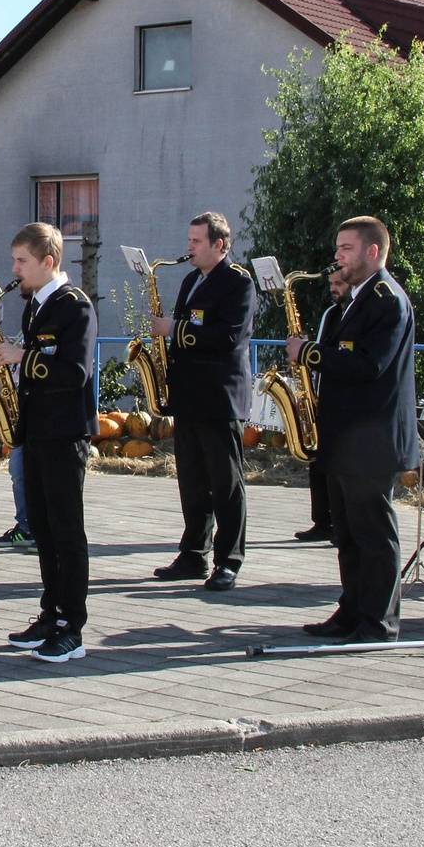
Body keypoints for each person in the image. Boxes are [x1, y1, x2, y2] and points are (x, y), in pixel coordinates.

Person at [286, 216, 418, 643]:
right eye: (338, 248)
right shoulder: (355, 300)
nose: (337, 256)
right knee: (347, 531)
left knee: (374, 533)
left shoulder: (387, 299)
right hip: (346, 435)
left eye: (346, 248)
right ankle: (352, 609)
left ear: (372, 252)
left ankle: (378, 622)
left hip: (373, 438)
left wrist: (311, 354)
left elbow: (370, 365)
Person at [0, 223, 98, 664]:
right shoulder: (34, 306)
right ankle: (50, 612)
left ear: (48, 262)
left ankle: (72, 626)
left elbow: (75, 371)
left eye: (22, 261)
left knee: (66, 531)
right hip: (35, 431)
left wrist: (23, 357)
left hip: (64, 432)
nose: (14, 270)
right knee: (42, 529)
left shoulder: (75, 306)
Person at [151, 212, 255, 591]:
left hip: (220, 395)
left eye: (196, 242)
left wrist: (174, 329)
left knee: (225, 482)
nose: (189, 248)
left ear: (219, 245)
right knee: (192, 480)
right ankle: (194, 553)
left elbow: (227, 336)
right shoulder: (192, 279)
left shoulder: (238, 282)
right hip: (189, 394)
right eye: (190, 240)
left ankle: (229, 560)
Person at [294, 266, 351, 544]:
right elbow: (319, 351)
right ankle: (322, 520)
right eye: (332, 283)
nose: (334, 288)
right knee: (318, 460)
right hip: (322, 393)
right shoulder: (332, 313)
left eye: (339, 283)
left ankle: (342, 525)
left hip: (346, 400)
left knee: (340, 466)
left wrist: (309, 352)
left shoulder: (357, 312)